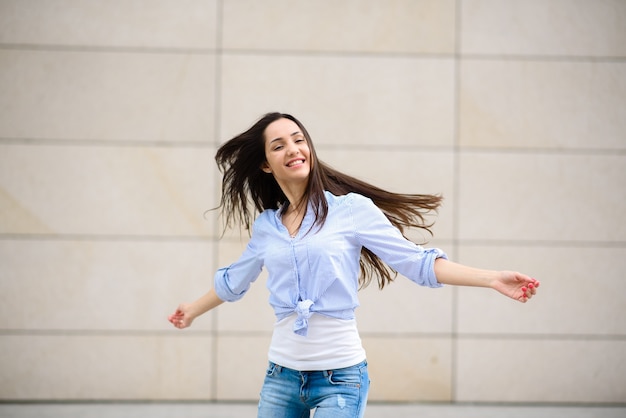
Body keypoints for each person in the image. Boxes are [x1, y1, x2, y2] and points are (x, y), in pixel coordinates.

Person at [168, 112, 540, 418]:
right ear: (266, 164)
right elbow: (235, 280)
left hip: (341, 378)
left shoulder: (351, 211)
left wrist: (492, 278)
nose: (293, 149)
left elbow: (418, 263)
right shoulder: (267, 226)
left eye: (299, 140)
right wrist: (192, 310)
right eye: (279, 145)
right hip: (281, 377)